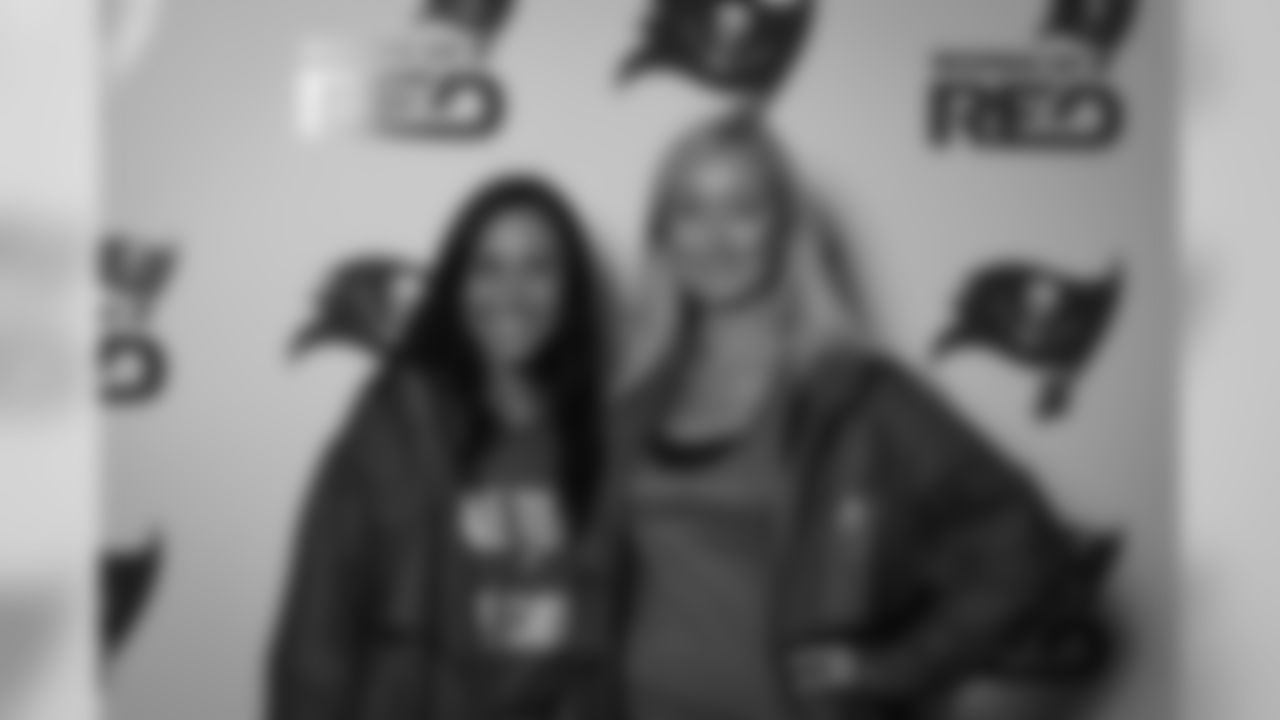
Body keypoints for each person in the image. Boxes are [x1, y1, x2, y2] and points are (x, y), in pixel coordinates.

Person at [612, 112, 1074, 720]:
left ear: (786, 229)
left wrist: (901, 667)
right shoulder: (632, 394)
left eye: (743, 210)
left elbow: (1026, 549)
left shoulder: (858, 392)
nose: (714, 239)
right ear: (663, 235)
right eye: (690, 211)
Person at [268, 175, 615, 720]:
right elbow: (318, 632)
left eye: (538, 269)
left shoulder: (599, 425)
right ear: (455, 284)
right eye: (488, 268)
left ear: (571, 287)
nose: (512, 294)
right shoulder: (394, 422)